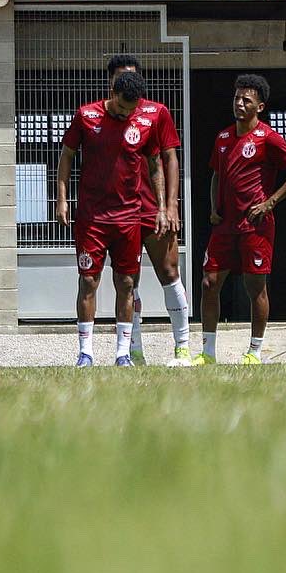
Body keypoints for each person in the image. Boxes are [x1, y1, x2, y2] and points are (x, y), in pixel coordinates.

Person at [56, 71, 166, 367]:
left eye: (131, 110)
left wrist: (160, 207)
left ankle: (122, 353)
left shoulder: (145, 122)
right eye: (120, 107)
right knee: (89, 280)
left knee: (126, 282)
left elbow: (155, 165)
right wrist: (63, 199)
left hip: (129, 217)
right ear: (112, 92)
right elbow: (66, 155)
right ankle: (85, 353)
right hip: (92, 217)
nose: (125, 114)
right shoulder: (86, 116)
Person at [198, 74, 286, 365]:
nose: (240, 104)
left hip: (255, 226)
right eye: (237, 98)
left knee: (254, 287)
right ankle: (207, 353)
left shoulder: (268, 137)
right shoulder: (223, 137)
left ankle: (255, 352)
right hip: (224, 226)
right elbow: (216, 175)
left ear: (260, 106)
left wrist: (269, 202)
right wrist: (213, 207)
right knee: (209, 282)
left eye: (247, 100)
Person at [105, 54, 193, 367]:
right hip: (119, 213)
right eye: (119, 78)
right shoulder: (102, 115)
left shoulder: (157, 113)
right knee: (128, 281)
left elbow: (169, 159)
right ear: (111, 83)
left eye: (131, 77)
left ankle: (182, 346)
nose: (126, 83)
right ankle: (134, 349)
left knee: (169, 273)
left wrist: (169, 206)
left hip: (151, 210)